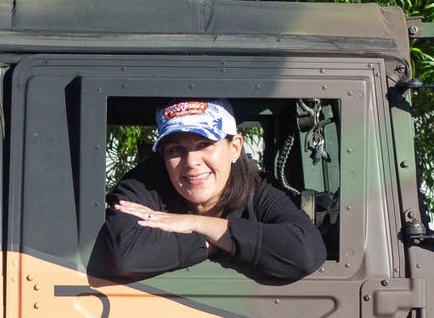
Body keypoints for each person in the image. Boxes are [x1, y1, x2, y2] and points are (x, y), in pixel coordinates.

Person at [94, 100, 326, 284]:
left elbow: (305, 252)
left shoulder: (259, 189)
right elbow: (126, 256)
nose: (191, 161)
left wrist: (195, 223)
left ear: (234, 147)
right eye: (176, 149)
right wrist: (221, 241)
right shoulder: (145, 184)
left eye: (204, 144)